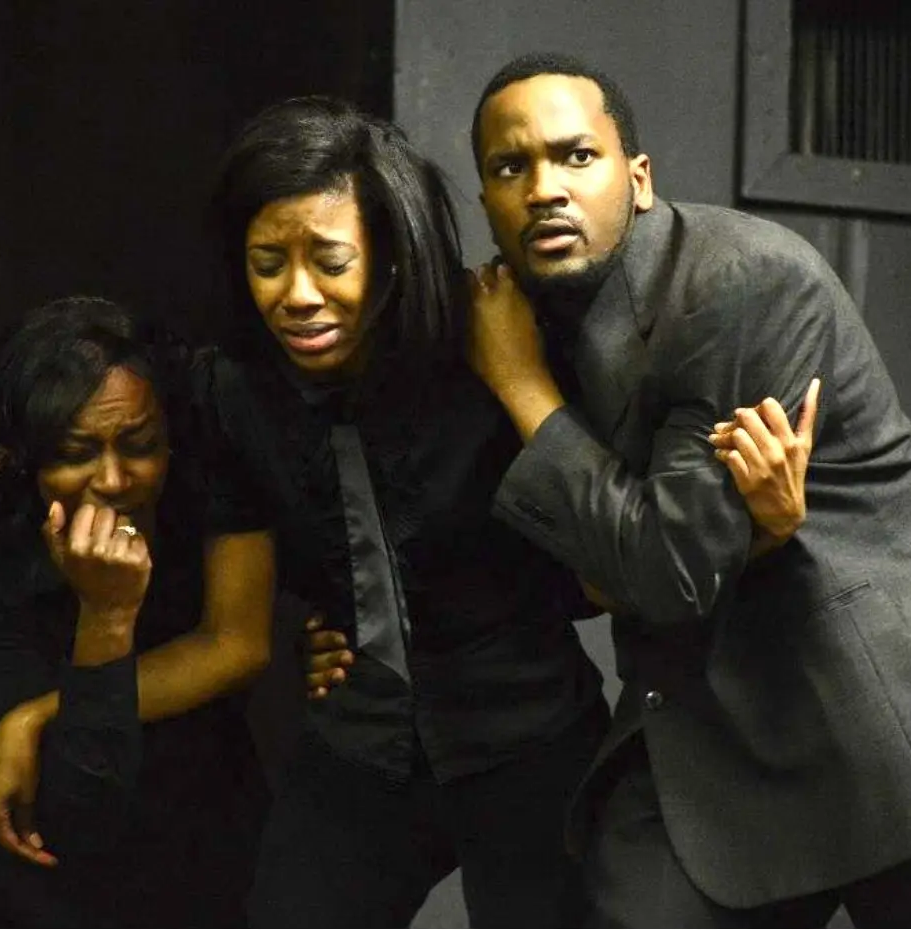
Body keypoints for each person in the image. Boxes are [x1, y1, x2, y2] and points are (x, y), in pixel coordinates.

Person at [200, 95, 810, 928]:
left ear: (387, 257)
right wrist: (337, 622)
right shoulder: (236, 395)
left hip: (525, 738)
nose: (296, 295)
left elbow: (616, 561)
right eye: (268, 262)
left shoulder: (494, 342)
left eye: (329, 261)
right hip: (358, 743)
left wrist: (758, 527)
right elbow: (264, 591)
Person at [467, 52, 911, 926]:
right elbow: (576, 573)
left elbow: (666, 571)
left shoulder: (733, 281)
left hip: (874, 690)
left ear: (639, 177)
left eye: (576, 156)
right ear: (486, 203)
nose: (544, 187)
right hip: (701, 715)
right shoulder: (520, 314)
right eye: (512, 167)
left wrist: (522, 390)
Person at [0, 298, 270, 926]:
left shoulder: (203, 478)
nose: (114, 478)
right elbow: (78, 813)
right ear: (27, 459)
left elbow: (238, 644)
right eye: (75, 453)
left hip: (181, 838)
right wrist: (106, 617)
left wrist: (38, 714)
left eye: (139, 445)